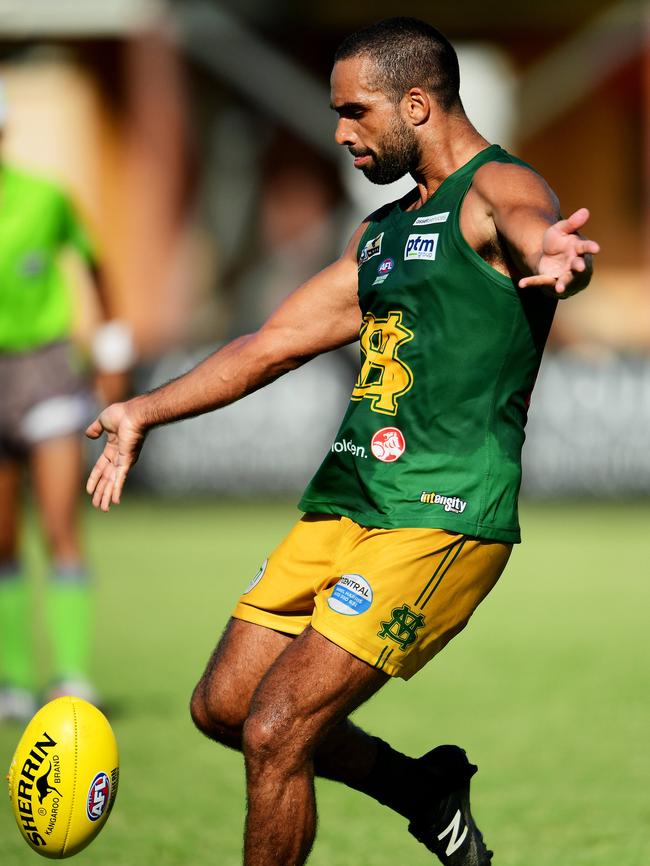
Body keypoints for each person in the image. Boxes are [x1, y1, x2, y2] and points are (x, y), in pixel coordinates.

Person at [85, 18, 599, 866]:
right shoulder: (387, 233)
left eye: (355, 112)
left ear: (419, 104)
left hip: (438, 512)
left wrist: (552, 249)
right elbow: (268, 346)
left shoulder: (493, 190)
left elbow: (527, 218)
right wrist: (144, 409)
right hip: (344, 504)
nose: (339, 132)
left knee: (278, 728)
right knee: (223, 707)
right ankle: (421, 789)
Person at [0, 103, 133, 721]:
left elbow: (98, 268)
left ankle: (73, 675)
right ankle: (13, 682)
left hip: (47, 370)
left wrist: (112, 353)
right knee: (1, 541)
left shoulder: (46, 197)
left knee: (60, 527)